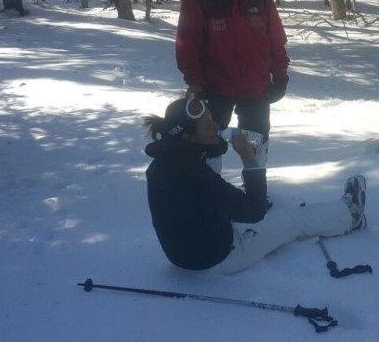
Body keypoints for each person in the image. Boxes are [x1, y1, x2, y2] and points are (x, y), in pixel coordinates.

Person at [143, 96, 366, 274]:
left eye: (212, 118)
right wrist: (249, 160)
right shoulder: (196, 176)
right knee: (291, 219)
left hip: (182, 256)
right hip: (218, 258)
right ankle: (350, 215)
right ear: (188, 138)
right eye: (207, 125)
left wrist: (215, 138)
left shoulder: (163, 163)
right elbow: (254, 211)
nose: (216, 125)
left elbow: (202, 192)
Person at [175, 0, 289, 169]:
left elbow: (276, 40)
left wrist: (280, 76)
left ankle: (256, 195)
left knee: (256, 143)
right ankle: (209, 195)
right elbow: (187, 46)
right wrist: (195, 83)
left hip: (256, 89)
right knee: (209, 145)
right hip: (214, 89)